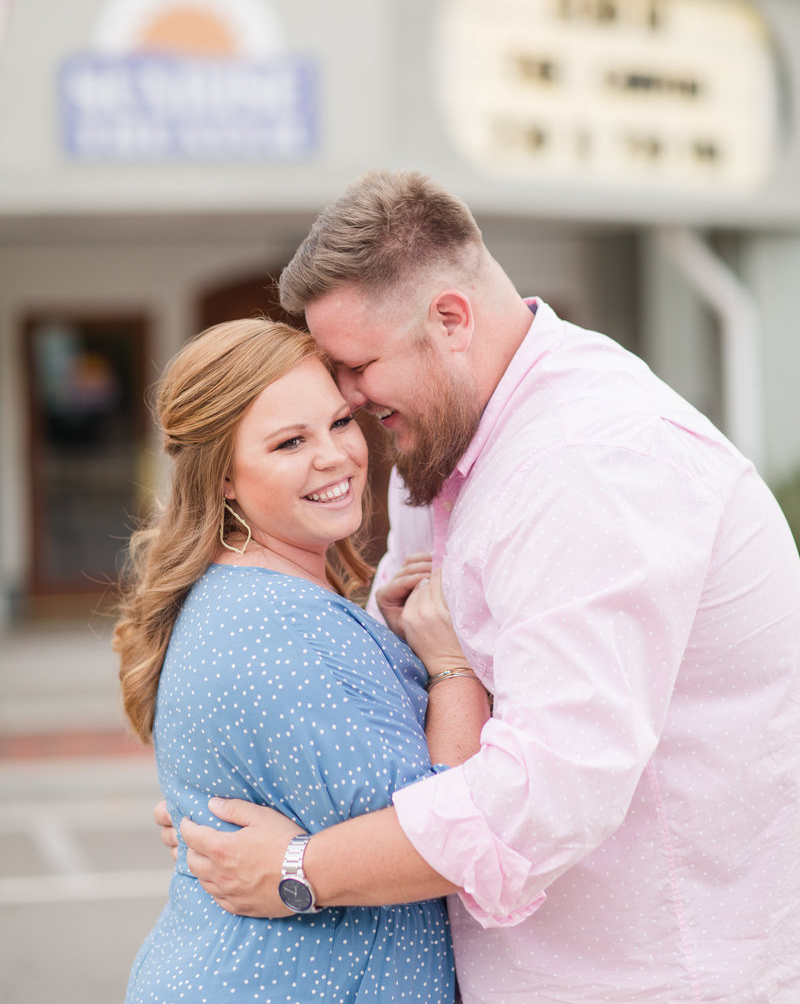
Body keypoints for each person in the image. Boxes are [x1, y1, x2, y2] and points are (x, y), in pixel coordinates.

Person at [169, 171, 800, 1004]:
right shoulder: (443, 440)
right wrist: (244, 804)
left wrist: (298, 867)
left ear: (450, 320)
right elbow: (400, 710)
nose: (349, 400)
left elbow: (547, 793)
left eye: (359, 367)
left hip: (649, 979)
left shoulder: (592, 465)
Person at [114, 316, 490, 1004]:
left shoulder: (257, 596)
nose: (335, 456)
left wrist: (389, 645)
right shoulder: (280, 626)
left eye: (341, 423)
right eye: (291, 442)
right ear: (223, 478)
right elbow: (446, 834)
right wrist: (451, 668)